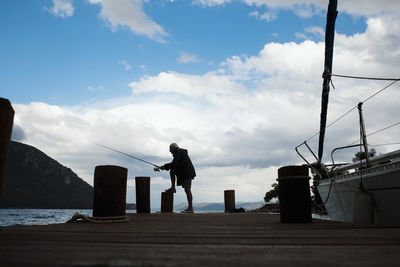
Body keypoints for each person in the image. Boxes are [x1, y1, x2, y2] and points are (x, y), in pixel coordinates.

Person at [160, 143, 196, 213]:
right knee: (172, 171)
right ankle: (173, 188)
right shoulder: (179, 152)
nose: (169, 151)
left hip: (187, 173)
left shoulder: (179, 152)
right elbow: (175, 164)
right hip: (186, 173)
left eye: (170, 149)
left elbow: (175, 164)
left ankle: (190, 208)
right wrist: (165, 167)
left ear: (174, 148)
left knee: (187, 189)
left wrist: (164, 166)